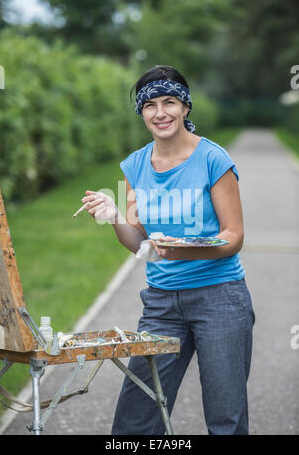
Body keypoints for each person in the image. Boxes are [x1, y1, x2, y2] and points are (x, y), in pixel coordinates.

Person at [82, 65, 255, 435]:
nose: (160, 112)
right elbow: (140, 243)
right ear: (142, 113)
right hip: (161, 304)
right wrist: (115, 217)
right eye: (151, 106)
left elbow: (234, 236)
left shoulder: (213, 159)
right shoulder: (135, 165)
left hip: (220, 298)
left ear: (185, 108)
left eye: (170, 102)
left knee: (227, 420)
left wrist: (187, 250)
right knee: (135, 421)